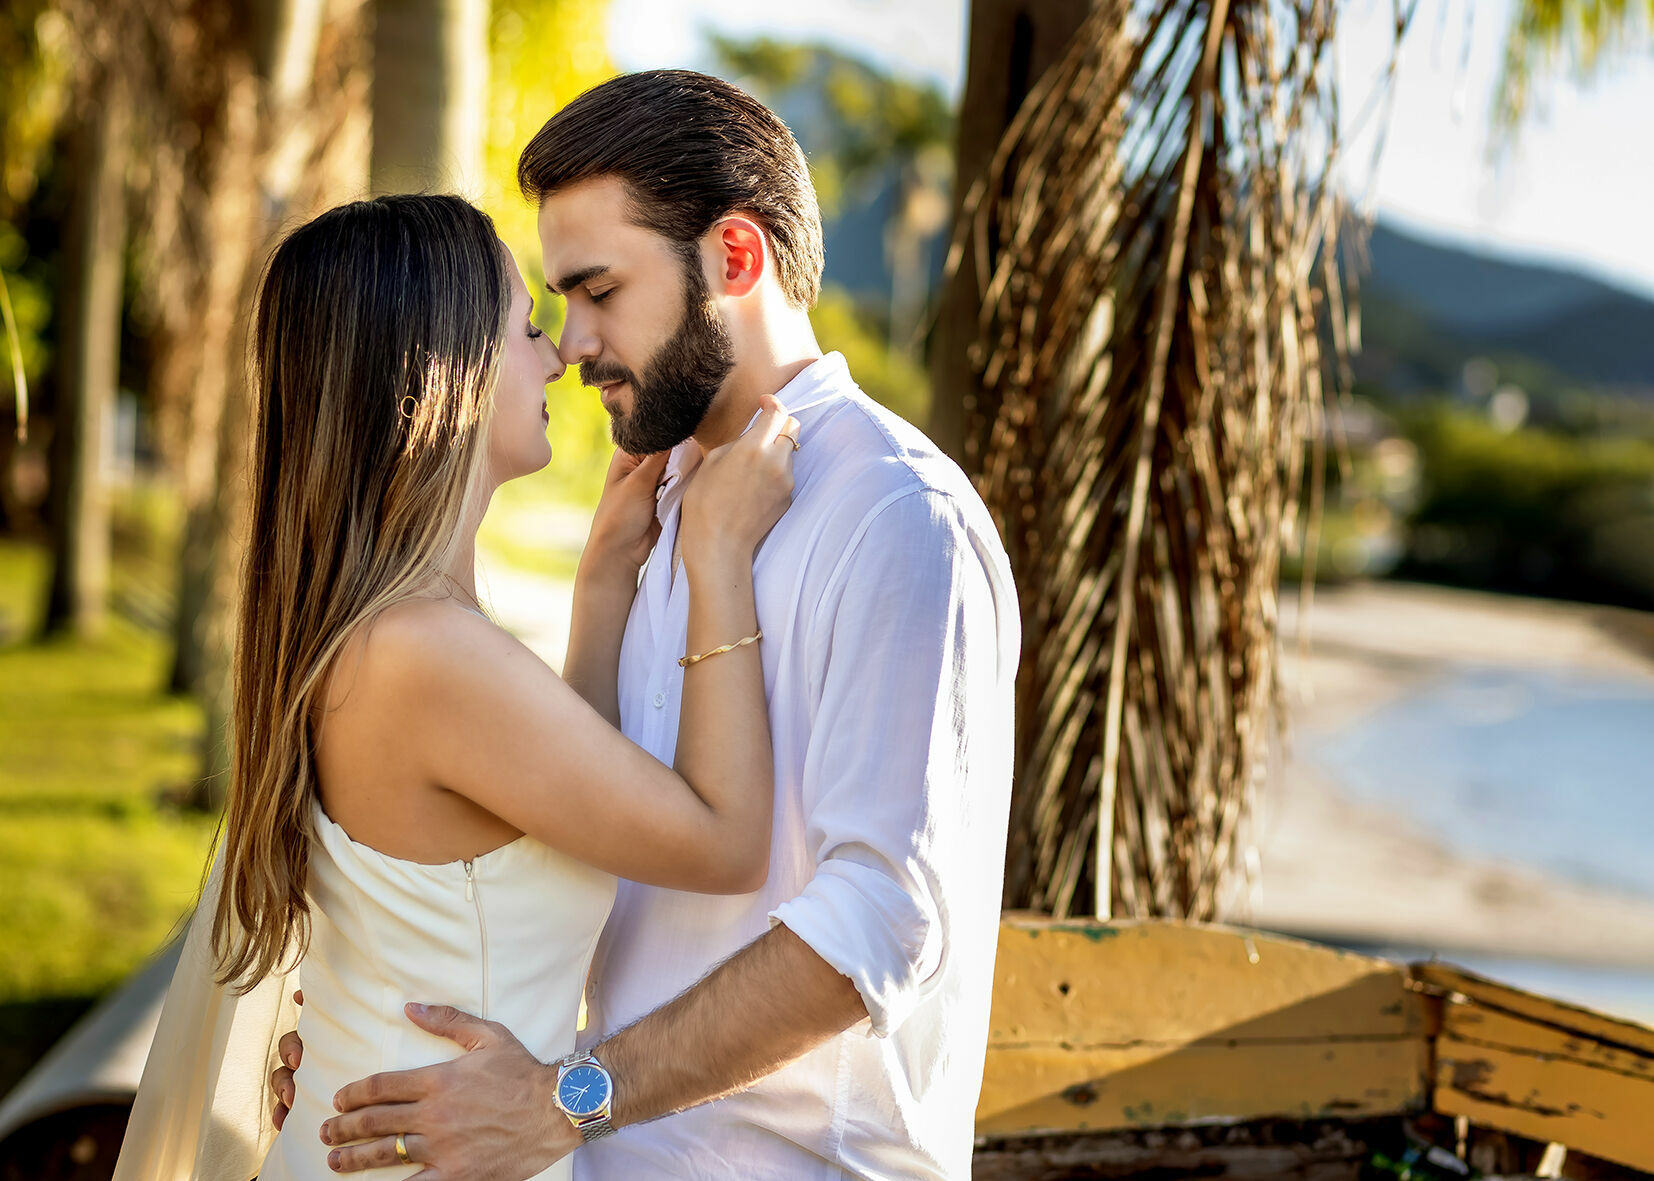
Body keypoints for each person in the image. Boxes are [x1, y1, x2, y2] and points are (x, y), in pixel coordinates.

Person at [292, 70, 1021, 1180]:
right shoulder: (657, 506)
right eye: (557, 302)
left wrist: (570, 1098)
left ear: (734, 258)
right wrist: (361, 1016)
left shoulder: (895, 516)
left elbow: (883, 920)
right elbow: (572, 828)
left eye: (599, 290)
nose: (572, 342)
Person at [111, 192, 800, 1181]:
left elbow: (551, 818)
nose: (558, 356)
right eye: (527, 327)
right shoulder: (425, 655)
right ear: (443, 372)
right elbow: (724, 843)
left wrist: (604, 578)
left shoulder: (387, 633)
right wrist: (720, 555)